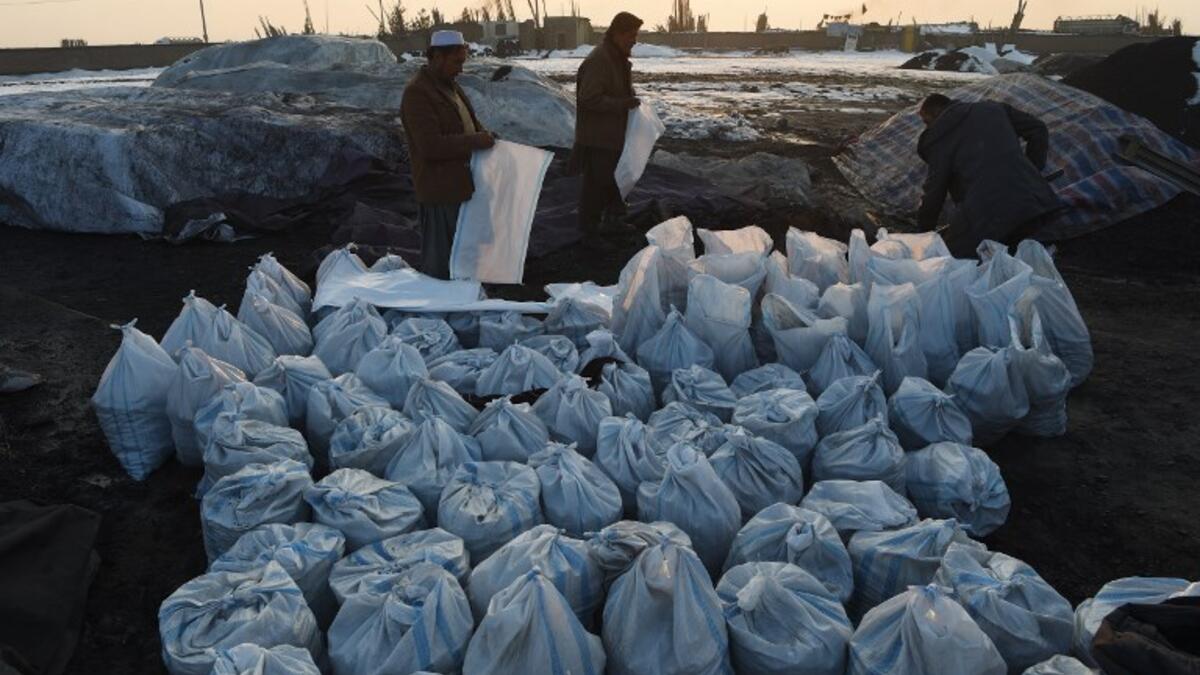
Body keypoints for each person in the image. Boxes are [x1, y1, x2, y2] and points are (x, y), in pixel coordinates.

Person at [915, 93, 1063, 257]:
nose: (928, 128)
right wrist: (1031, 173)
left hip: (986, 216)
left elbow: (934, 192)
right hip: (1033, 205)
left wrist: (924, 233)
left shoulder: (938, 138)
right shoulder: (993, 108)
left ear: (936, 112)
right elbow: (1038, 129)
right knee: (1011, 251)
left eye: (926, 122)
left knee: (950, 261)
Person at [401, 30, 495, 279]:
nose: (461, 69)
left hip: (461, 187)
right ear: (437, 57)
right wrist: (475, 141)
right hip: (440, 192)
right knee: (441, 264)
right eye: (457, 62)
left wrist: (486, 135)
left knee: (464, 259)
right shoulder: (417, 93)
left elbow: (467, 124)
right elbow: (430, 146)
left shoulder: (451, 87)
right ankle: (440, 311)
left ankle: (463, 303)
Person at [571, 11, 643, 235]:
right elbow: (589, 98)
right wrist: (623, 104)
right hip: (598, 139)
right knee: (595, 189)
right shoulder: (600, 59)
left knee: (613, 184)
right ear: (618, 34)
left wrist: (628, 100)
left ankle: (614, 224)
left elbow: (614, 90)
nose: (635, 40)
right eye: (631, 35)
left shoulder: (616, 58)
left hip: (612, 137)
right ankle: (589, 234)